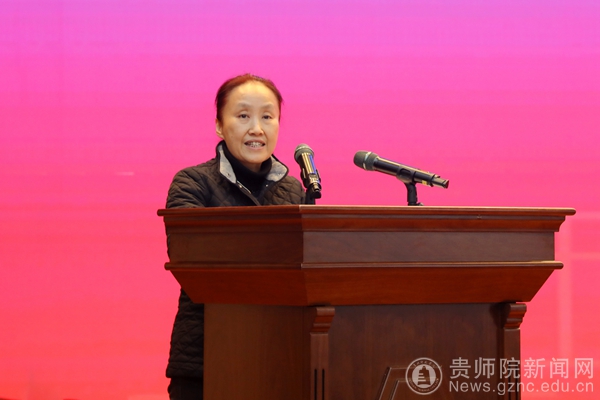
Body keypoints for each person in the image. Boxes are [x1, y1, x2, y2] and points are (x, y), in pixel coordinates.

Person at [164, 74, 305, 399]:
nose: (257, 128)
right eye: (243, 116)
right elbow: (190, 260)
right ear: (219, 124)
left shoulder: (295, 190)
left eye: (267, 117)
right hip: (206, 357)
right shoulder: (192, 183)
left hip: (279, 356)